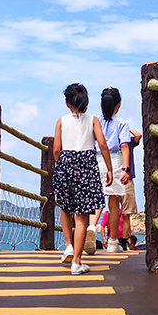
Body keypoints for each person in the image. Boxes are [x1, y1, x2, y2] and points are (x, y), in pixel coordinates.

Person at [52, 83, 114, 274]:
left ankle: (68, 245)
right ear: (87, 103)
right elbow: (102, 145)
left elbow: (56, 149)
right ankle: (77, 262)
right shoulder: (93, 120)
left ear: (66, 103)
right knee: (82, 215)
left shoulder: (61, 121)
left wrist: (61, 163)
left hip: (66, 162)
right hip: (86, 164)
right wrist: (109, 168)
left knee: (65, 206)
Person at [91, 87, 132, 253]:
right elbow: (124, 146)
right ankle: (113, 242)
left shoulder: (95, 121)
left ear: (100, 104)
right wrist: (126, 169)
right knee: (113, 204)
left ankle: (92, 227)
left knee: (96, 198)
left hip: (96, 159)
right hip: (114, 159)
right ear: (119, 104)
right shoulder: (122, 124)